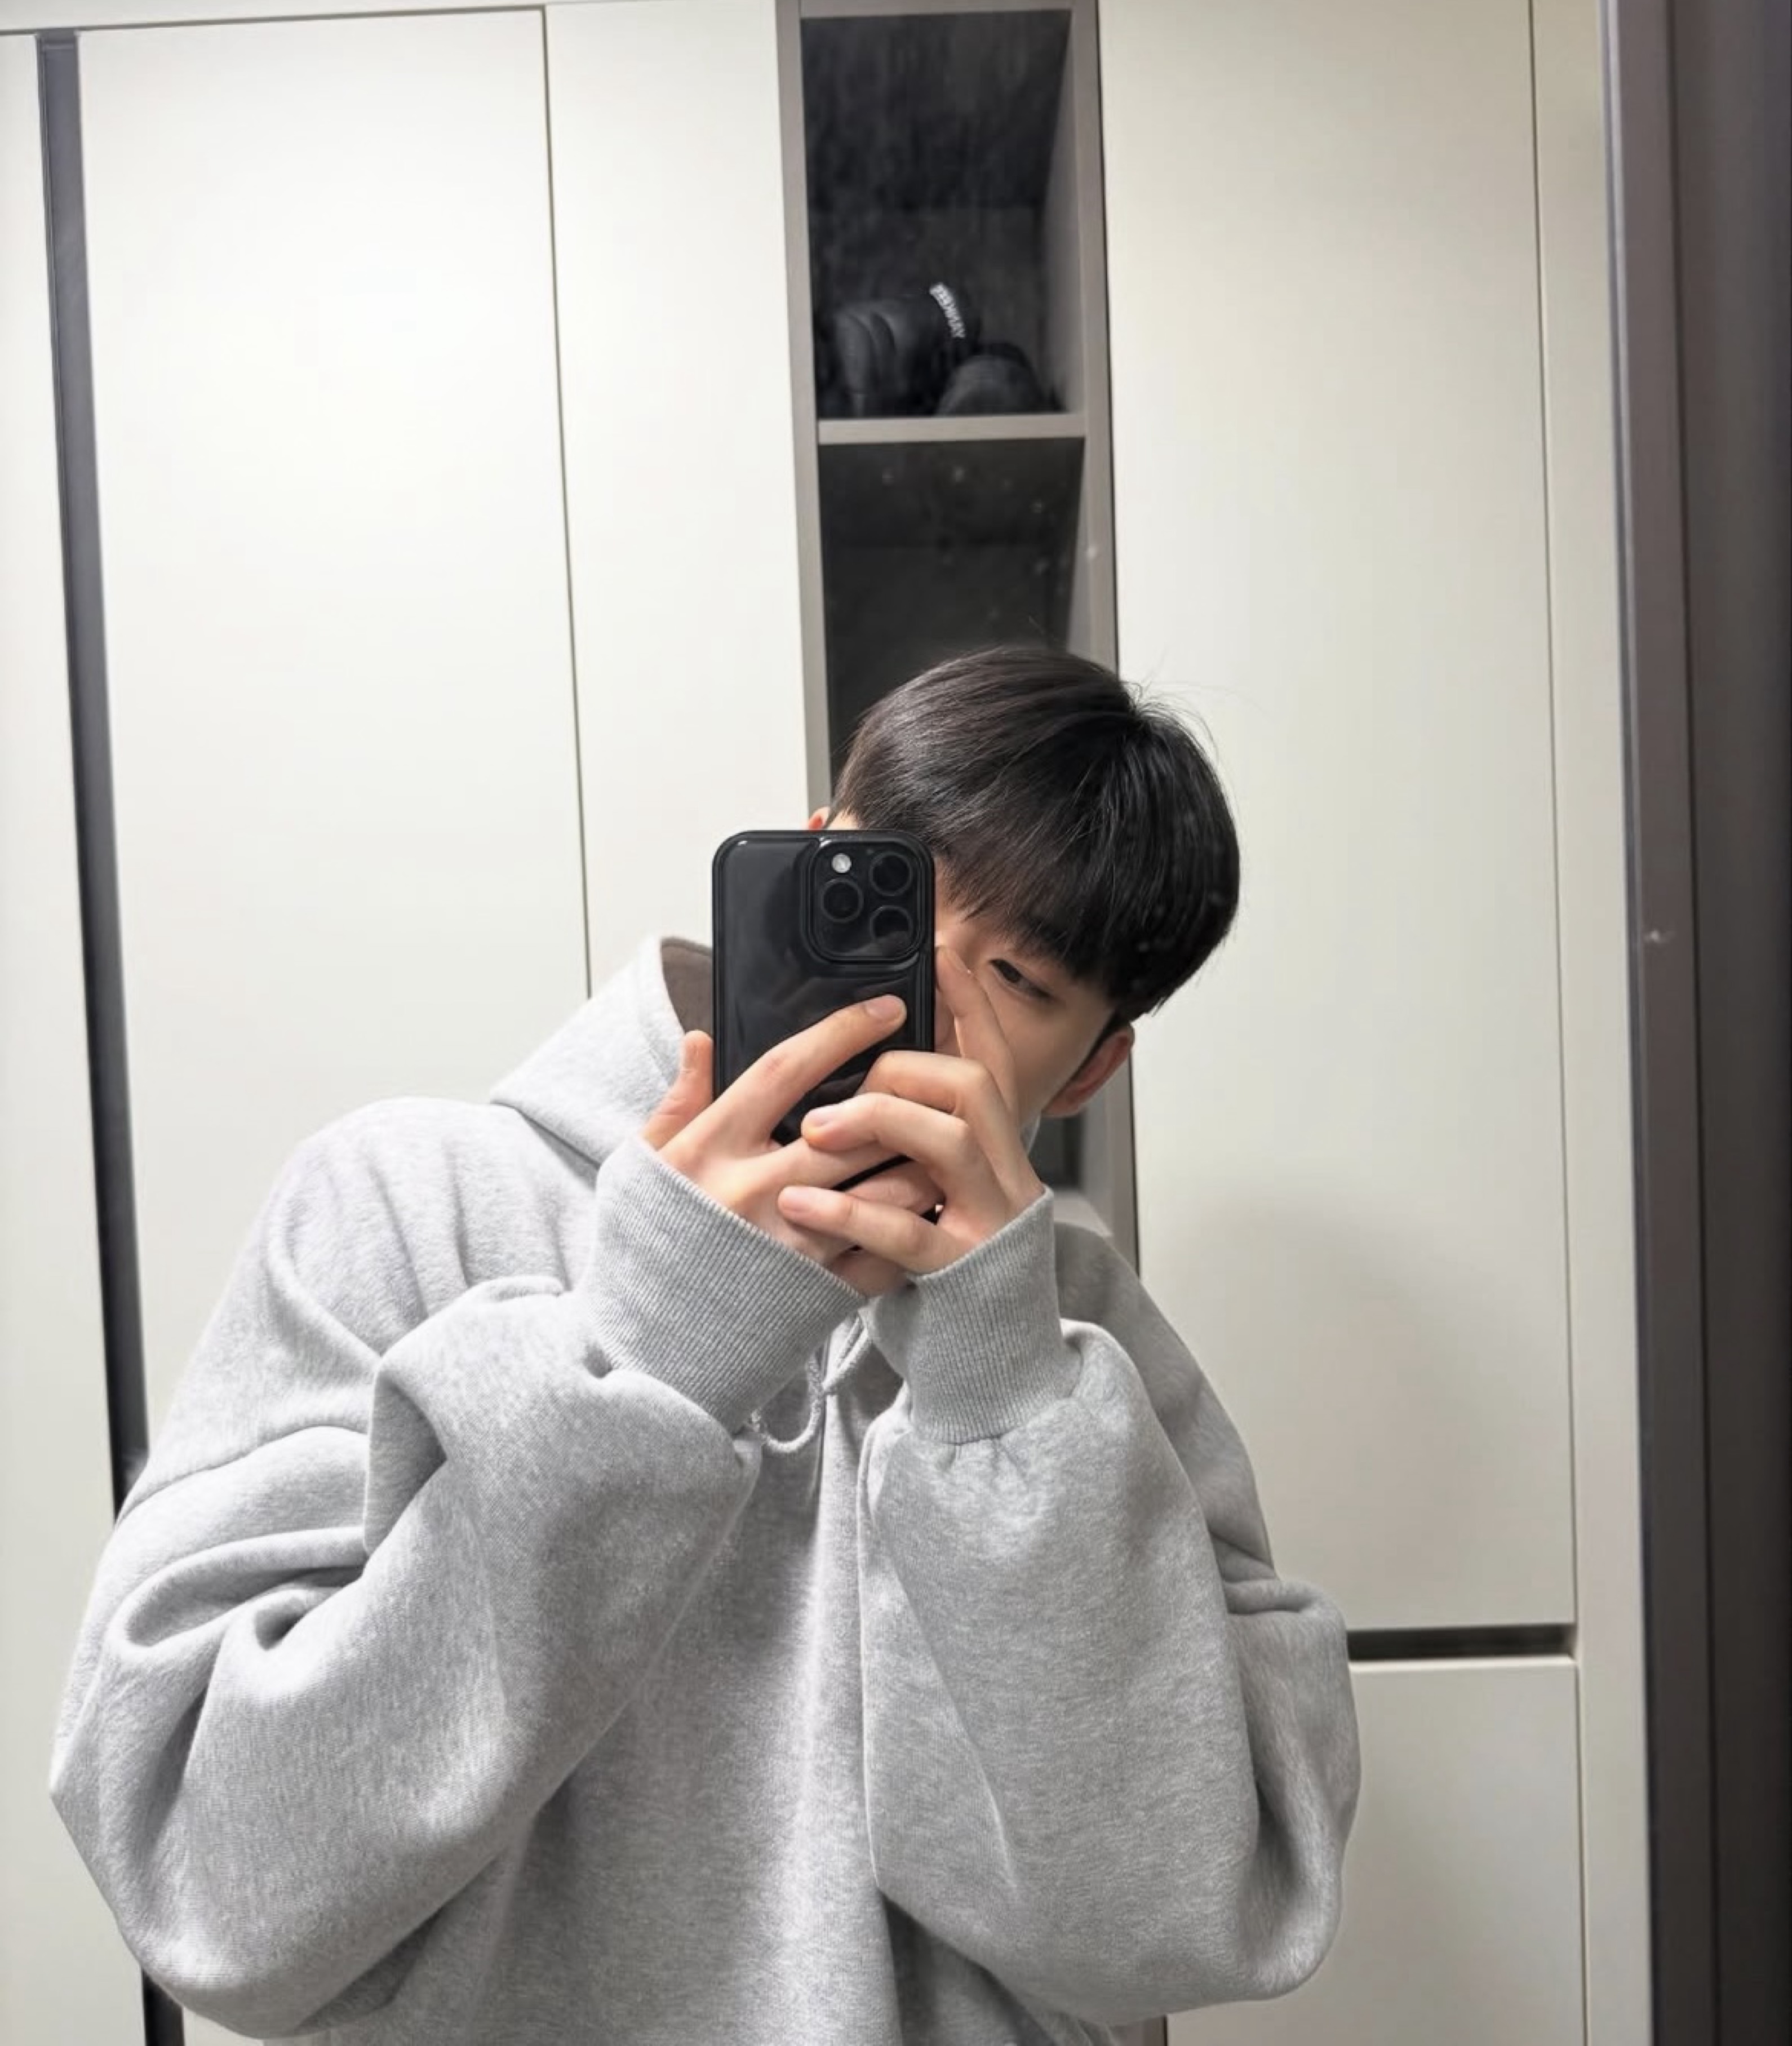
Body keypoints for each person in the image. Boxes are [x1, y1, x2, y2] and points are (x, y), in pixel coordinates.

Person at [50, 645, 1360, 2045]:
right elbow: (209, 1883)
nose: (918, 1000)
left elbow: (1170, 1926)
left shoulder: (1085, 1337)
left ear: (1095, 1065)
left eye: (1020, 979)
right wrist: (653, 1349)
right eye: (885, 899)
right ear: (807, 858)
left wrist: (1003, 1400)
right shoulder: (406, 1203)